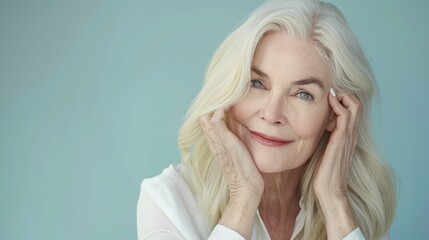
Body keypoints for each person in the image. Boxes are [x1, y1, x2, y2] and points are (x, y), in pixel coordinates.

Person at [137, 0, 396, 239]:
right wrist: (242, 198)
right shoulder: (167, 201)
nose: (272, 114)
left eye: (303, 94)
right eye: (257, 83)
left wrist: (335, 201)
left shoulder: (354, 209)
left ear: (335, 115)